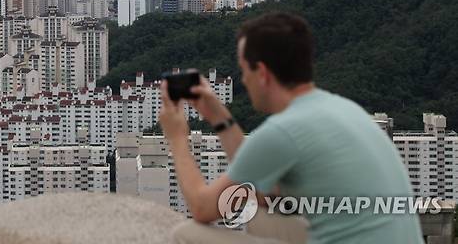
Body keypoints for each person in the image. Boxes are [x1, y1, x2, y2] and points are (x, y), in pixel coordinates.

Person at [159, 12, 424, 244]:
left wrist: (177, 138)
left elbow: (202, 207)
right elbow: (261, 190)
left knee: (186, 234)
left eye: (244, 70)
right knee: (260, 212)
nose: (243, 79)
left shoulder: (283, 131)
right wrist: (219, 117)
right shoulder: (343, 108)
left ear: (262, 73)